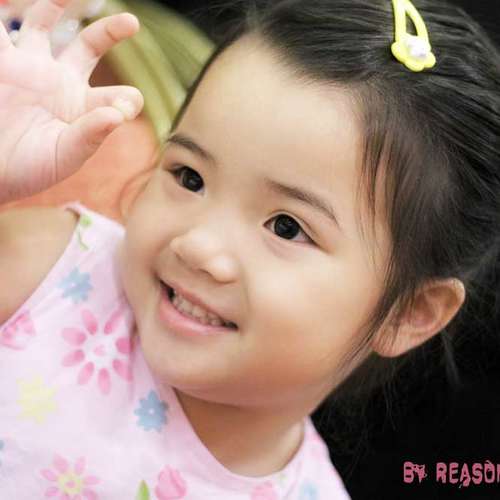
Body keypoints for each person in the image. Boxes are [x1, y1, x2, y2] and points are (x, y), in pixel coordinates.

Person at [1, 0, 499, 498]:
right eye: (189, 177)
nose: (198, 246)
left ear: (410, 313)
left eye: (286, 227)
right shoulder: (53, 272)